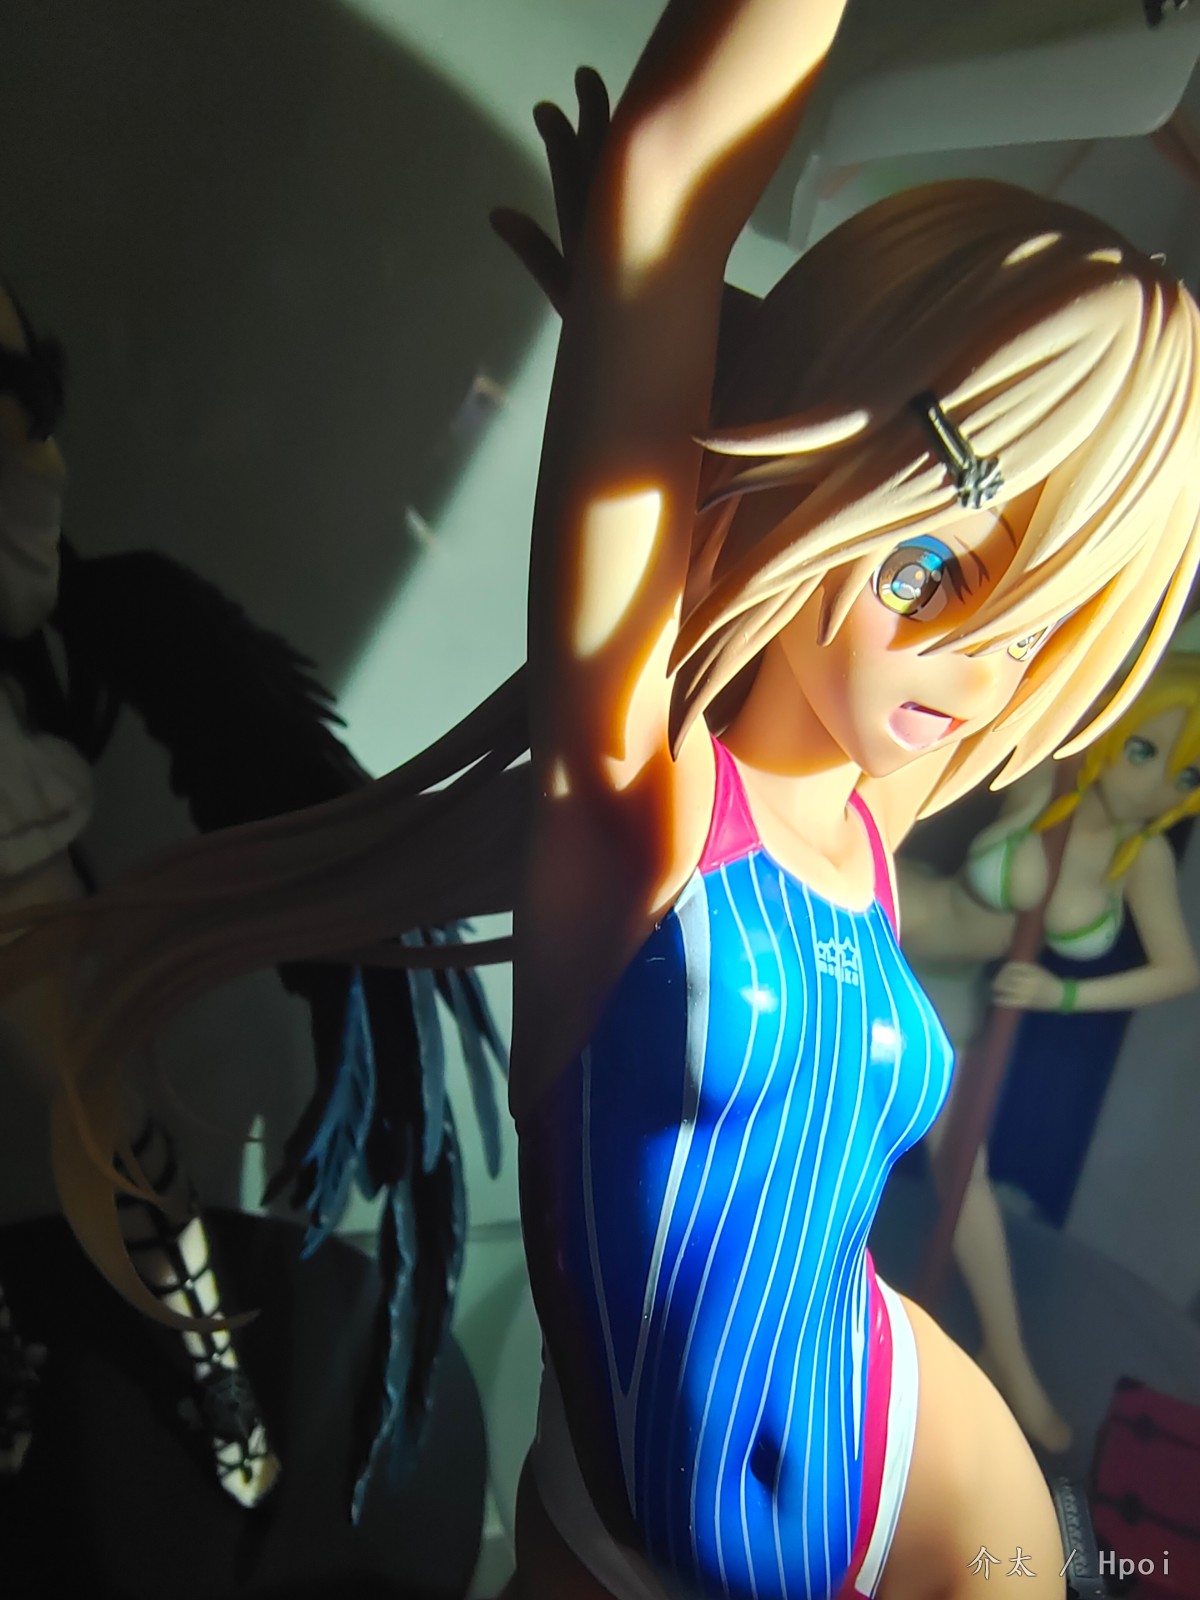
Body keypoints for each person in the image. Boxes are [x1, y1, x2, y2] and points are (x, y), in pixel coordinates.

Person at [3, 2, 1200, 1595]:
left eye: (1039, 627)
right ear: (845, 485)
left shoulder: (871, 814)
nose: (976, 671)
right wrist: (658, 290)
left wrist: (735, 364)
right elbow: (672, 177)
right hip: (629, 1536)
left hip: (912, 1462)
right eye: (932, 569)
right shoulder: (642, 807)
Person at [897, 653, 1200, 1455]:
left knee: (964, 1170)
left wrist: (1064, 994)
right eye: (1145, 751)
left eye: (1186, 774)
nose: (1158, 787)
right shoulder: (1049, 778)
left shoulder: (1142, 859)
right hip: (893, 923)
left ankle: (1007, 1355)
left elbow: (1179, 970)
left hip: (951, 995)